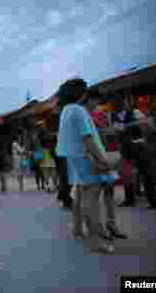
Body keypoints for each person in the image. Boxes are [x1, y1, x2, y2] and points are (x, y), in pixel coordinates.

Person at [55, 79, 120, 253]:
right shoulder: (79, 111)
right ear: (81, 93)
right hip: (87, 158)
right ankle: (96, 241)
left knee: (83, 198)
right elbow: (88, 138)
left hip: (75, 159)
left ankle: (81, 231)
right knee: (91, 200)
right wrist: (103, 160)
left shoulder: (66, 111)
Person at [84, 90, 128, 240]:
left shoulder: (102, 115)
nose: (96, 103)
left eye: (97, 100)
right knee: (93, 195)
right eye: (93, 100)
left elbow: (108, 133)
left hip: (106, 155)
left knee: (109, 190)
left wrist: (113, 131)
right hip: (92, 158)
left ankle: (111, 224)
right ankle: (96, 229)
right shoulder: (83, 116)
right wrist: (110, 130)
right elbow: (90, 136)